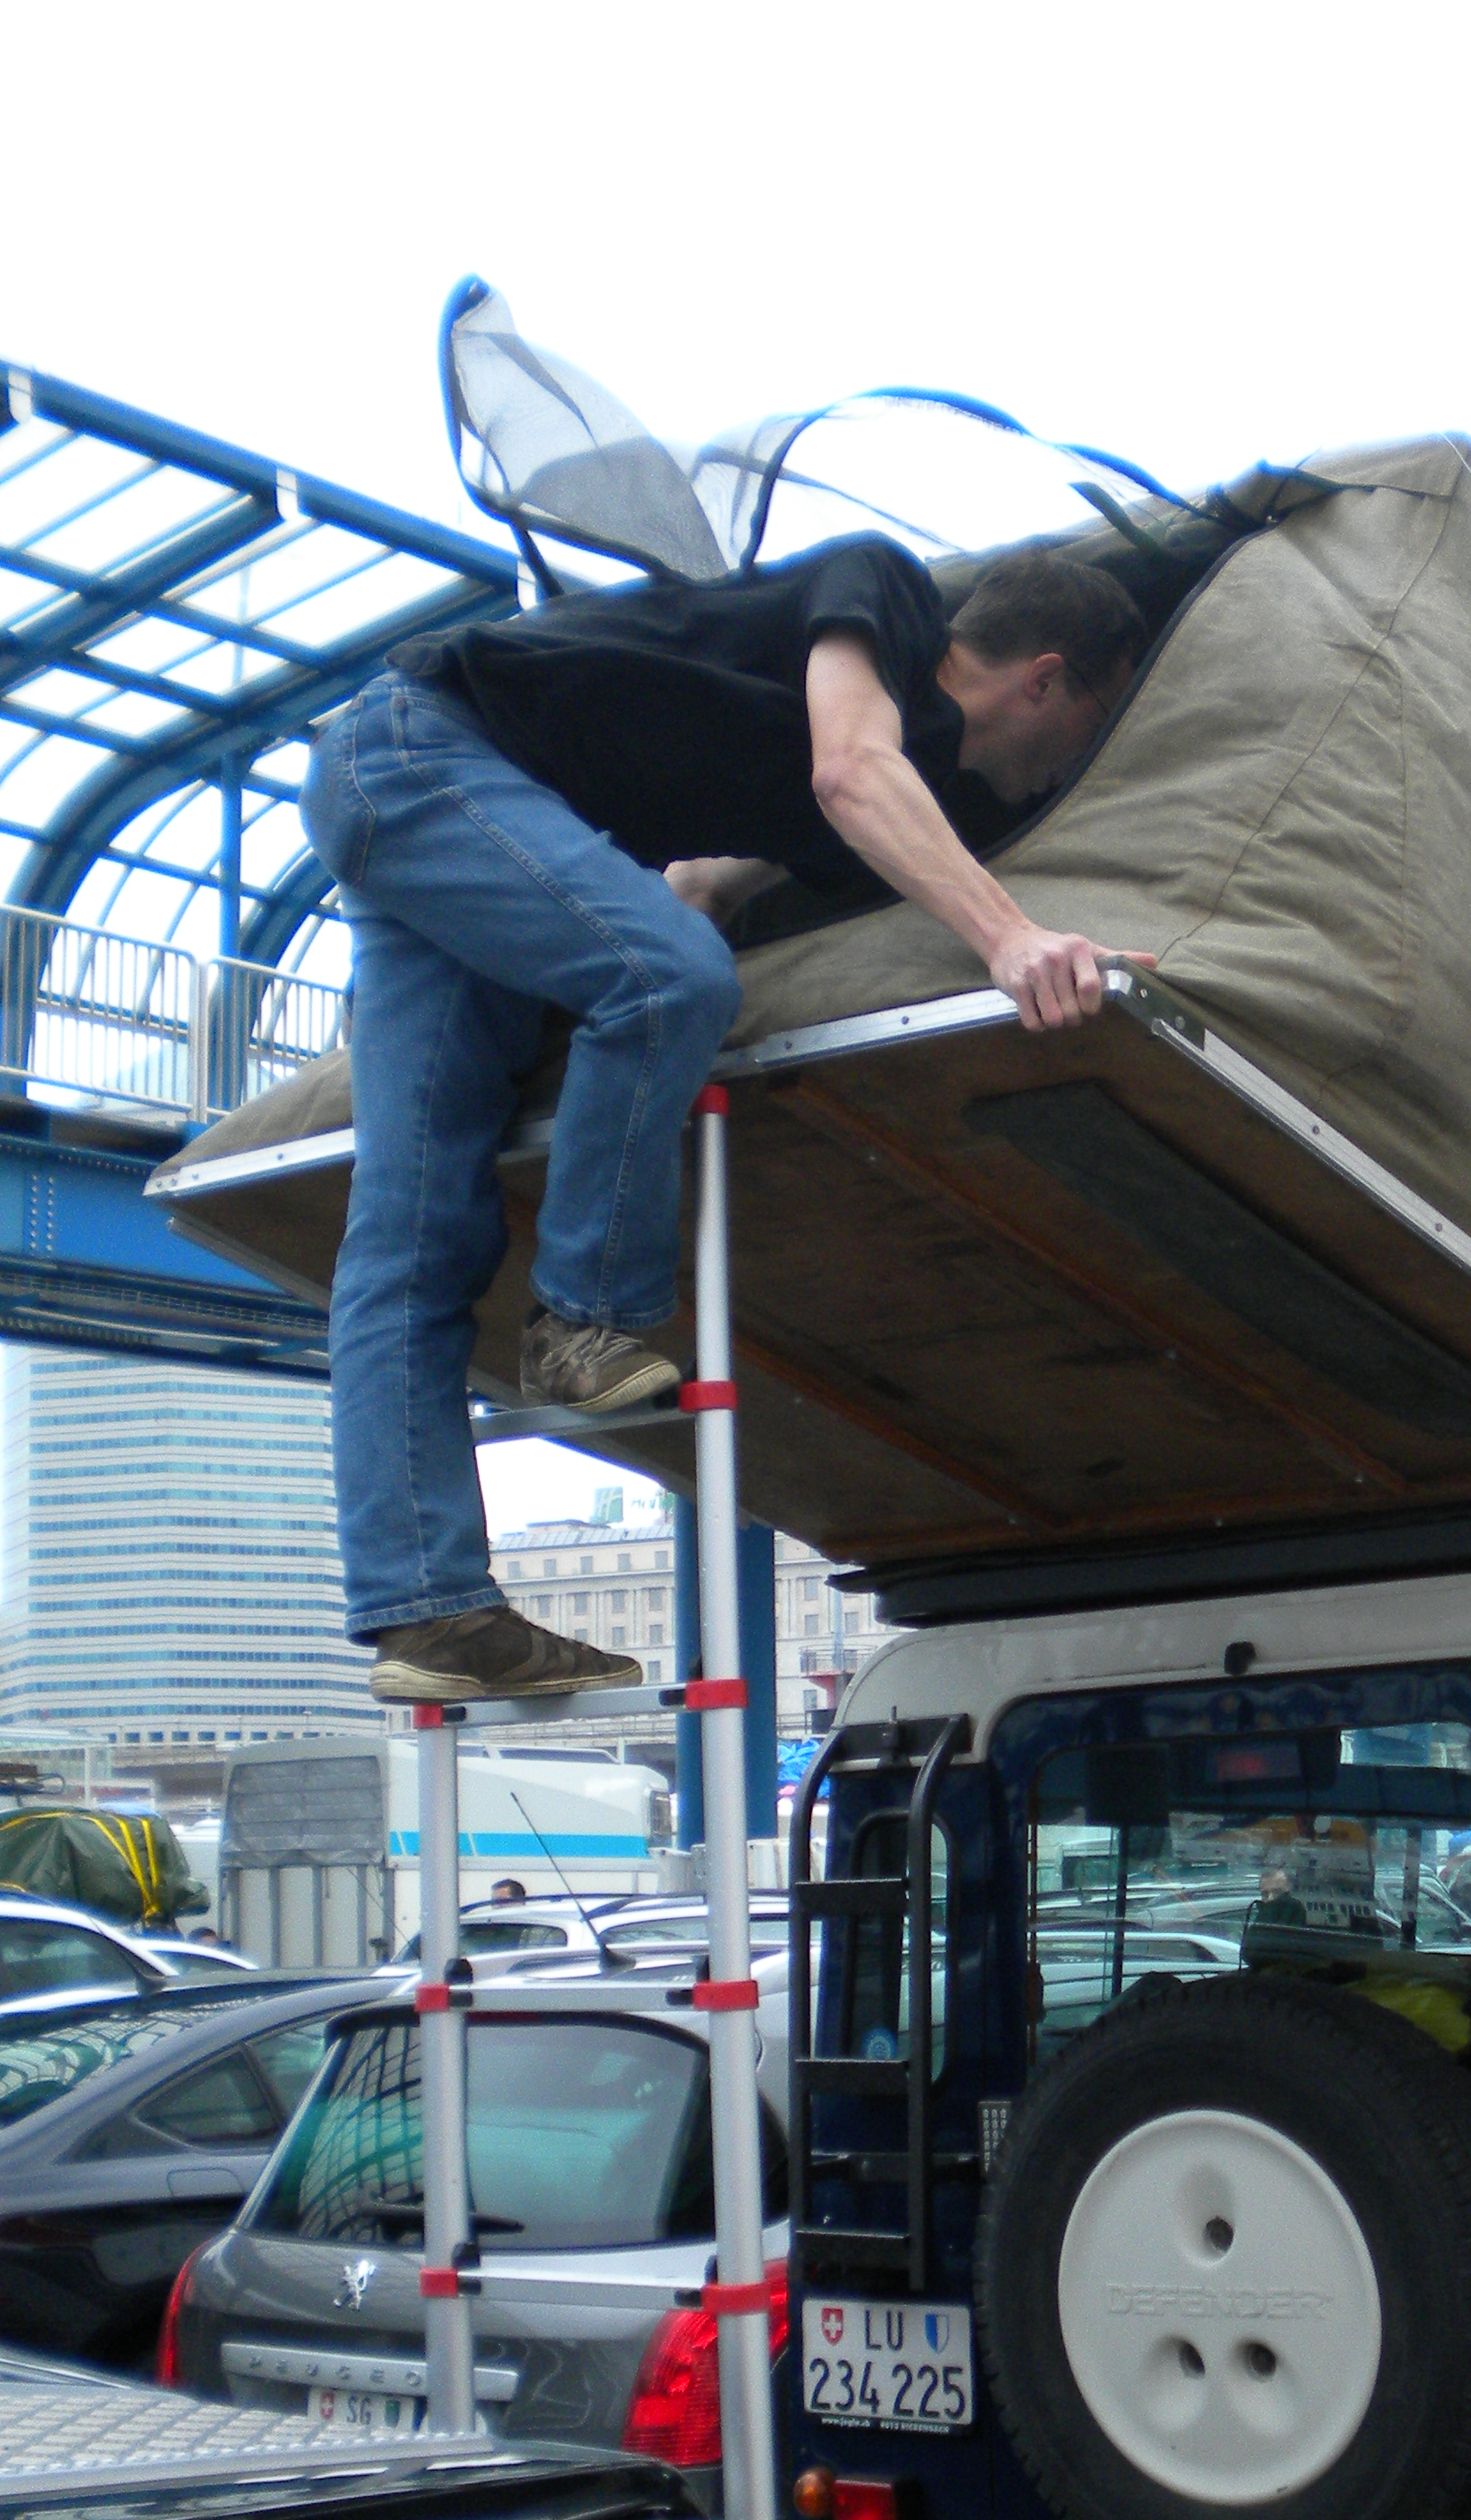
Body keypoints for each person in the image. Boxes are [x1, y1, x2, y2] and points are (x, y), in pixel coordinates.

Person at [298, 537, 1148, 1707]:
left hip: (440, 812)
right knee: (667, 981)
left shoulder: (868, 800)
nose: (1071, 769)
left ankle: (429, 1609)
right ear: (1045, 679)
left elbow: (699, 885)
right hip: (423, 755)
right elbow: (852, 771)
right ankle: (584, 1316)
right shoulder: (885, 594)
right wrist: (1009, 939)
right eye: (1089, 728)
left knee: (412, 1234)